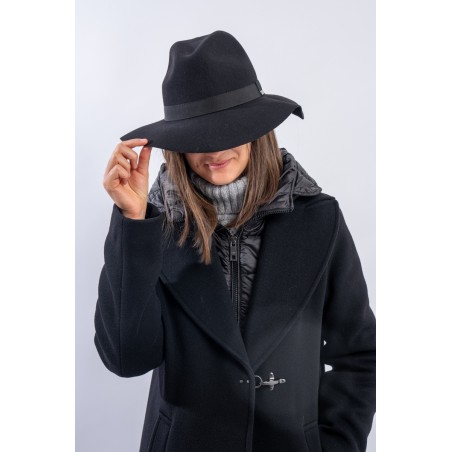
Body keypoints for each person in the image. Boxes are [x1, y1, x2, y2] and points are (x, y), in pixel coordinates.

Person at [94, 30, 376, 452]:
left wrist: (334, 445)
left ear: (257, 130)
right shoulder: (155, 226)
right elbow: (125, 358)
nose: (214, 151)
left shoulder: (320, 219)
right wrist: (133, 223)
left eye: (229, 129)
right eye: (198, 137)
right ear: (177, 146)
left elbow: (359, 355)